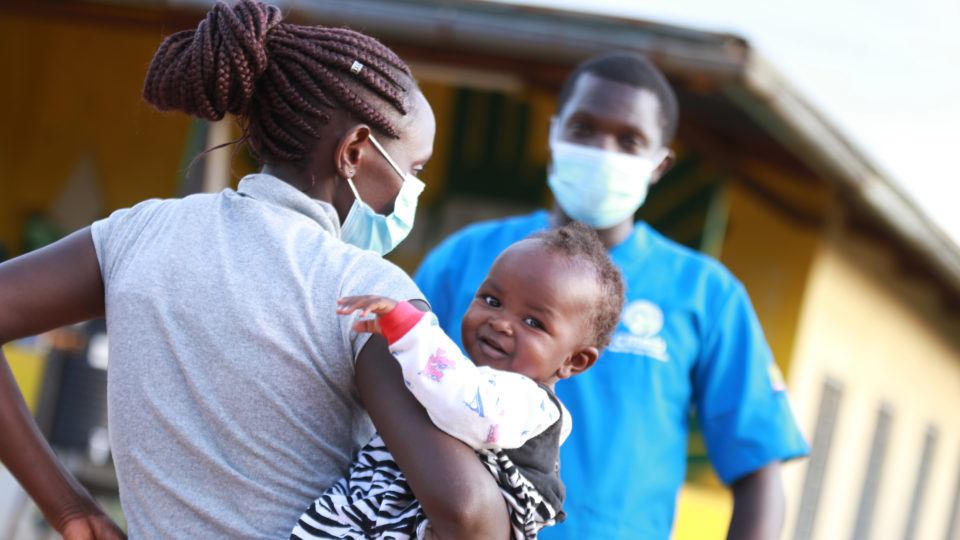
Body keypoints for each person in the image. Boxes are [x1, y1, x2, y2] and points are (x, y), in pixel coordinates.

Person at [0, 1, 510, 538]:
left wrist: (67, 505)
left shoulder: (138, 233)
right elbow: (466, 512)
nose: (414, 191)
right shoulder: (366, 292)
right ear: (356, 150)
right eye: (414, 169)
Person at [414, 53, 810, 539]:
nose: (602, 150)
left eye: (629, 140)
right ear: (554, 134)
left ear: (660, 163)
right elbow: (386, 392)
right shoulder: (464, 258)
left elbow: (758, 472)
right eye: (583, 129)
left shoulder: (707, 295)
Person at [291, 224, 625, 540]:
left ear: (574, 360)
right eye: (491, 301)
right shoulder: (474, 380)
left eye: (533, 322)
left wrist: (410, 332)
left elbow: (466, 403)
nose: (501, 323)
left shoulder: (529, 404)